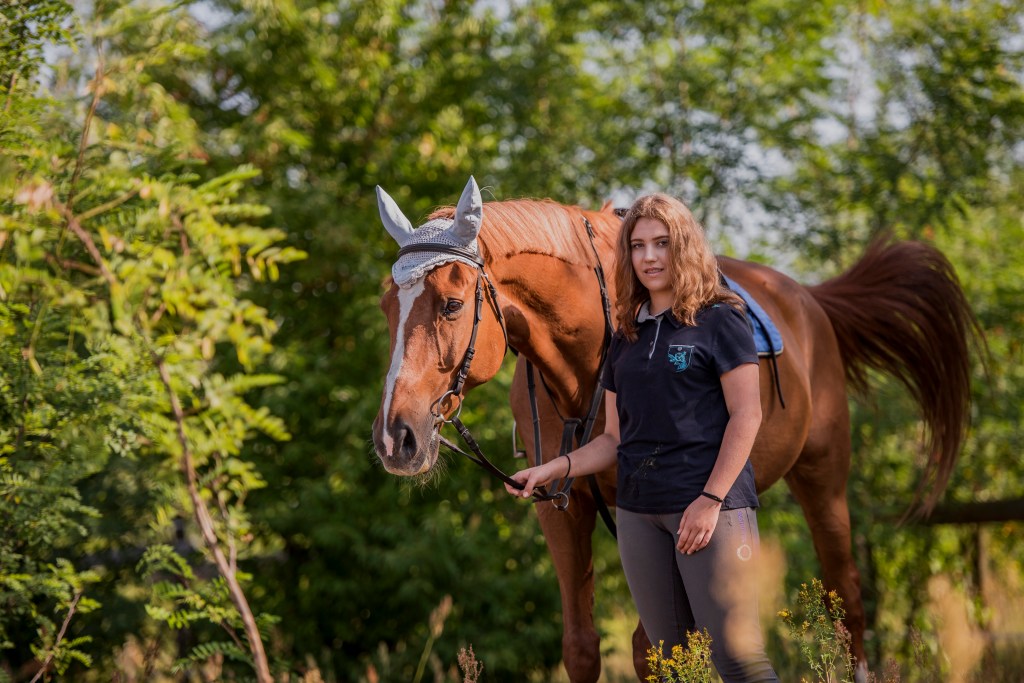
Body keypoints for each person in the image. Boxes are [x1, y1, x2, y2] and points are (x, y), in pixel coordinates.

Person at [505, 193, 779, 682]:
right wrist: (552, 469)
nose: (649, 257)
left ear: (684, 247)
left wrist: (711, 500)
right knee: (670, 665)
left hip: (708, 511)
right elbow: (613, 439)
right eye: (637, 246)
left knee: (739, 661)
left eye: (662, 243)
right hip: (639, 515)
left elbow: (747, 416)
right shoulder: (627, 335)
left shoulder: (721, 318)